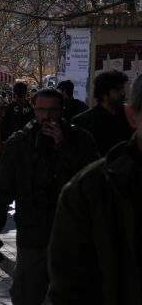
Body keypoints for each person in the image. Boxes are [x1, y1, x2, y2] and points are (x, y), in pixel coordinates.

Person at [0, 88, 99, 305]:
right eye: (41, 110)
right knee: (27, 294)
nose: (47, 116)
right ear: (34, 110)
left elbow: (92, 180)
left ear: (61, 111)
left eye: (53, 110)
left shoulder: (80, 139)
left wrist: (63, 145)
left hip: (73, 234)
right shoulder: (19, 142)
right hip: (33, 232)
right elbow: (4, 189)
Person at [48, 74, 142, 304]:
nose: (121, 94)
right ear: (132, 117)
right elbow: (70, 288)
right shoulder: (86, 191)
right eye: (118, 89)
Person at [72, 70, 133, 156]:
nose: (123, 93)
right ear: (104, 93)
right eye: (117, 89)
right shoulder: (84, 121)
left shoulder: (128, 115)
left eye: (122, 88)